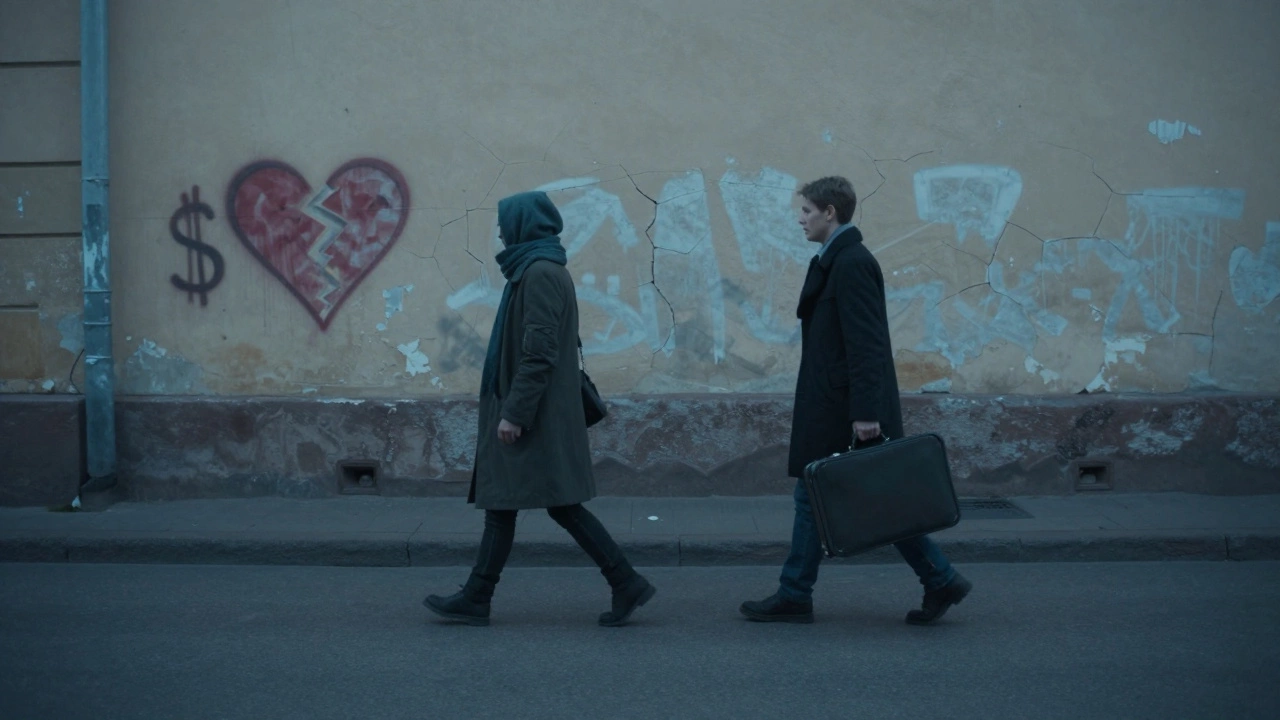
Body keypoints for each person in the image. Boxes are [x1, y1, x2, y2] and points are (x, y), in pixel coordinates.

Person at [739, 176, 972, 625]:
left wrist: (866, 413)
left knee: (853, 495)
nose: (799, 218)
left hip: (847, 408)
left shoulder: (852, 263)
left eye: (807, 210)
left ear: (831, 212)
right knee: (864, 496)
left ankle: (797, 594)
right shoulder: (834, 260)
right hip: (834, 402)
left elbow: (867, 344)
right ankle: (938, 580)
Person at [424, 190, 656, 627]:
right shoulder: (534, 270)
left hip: (537, 416)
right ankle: (621, 581)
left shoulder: (541, 273)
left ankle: (482, 596)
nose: (499, 231)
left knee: (540, 504)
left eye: (504, 222)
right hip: (538, 412)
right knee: (518, 505)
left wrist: (515, 413)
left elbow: (540, 353)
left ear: (522, 225)